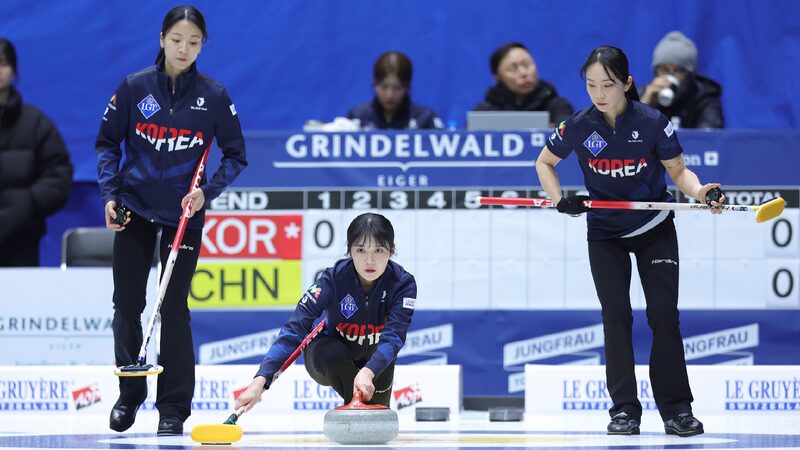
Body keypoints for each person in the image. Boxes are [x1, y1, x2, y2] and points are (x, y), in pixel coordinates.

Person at [535, 46, 725, 437]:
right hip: (605, 234)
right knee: (616, 315)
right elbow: (544, 163)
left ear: (627, 83)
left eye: (607, 84)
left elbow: (679, 172)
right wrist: (559, 200)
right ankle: (624, 410)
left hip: (654, 228)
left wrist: (701, 192)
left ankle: (677, 410)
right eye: (591, 85)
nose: (599, 93)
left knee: (663, 315)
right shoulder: (578, 125)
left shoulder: (653, 122)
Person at [95, 6, 247, 435]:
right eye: (177, 39)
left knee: (174, 309)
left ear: (203, 46)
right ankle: (130, 394)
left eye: (193, 42)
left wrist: (205, 193)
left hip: (184, 216)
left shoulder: (214, 96)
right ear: (162, 39)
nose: (184, 48)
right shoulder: (134, 88)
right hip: (135, 209)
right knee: (127, 304)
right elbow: (107, 144)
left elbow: (236, 156)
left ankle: (174, 408)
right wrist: (111, 194)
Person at [235, 212, 417, 412]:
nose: (369, 260)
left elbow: (393, 337)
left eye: (378, 250)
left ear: (391, 250)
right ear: (349, 250)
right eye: (361, 250)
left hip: (375, 361)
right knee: (332, 355)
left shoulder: (403, 284)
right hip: (328, 357)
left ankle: (362, 404)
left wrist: (369, 371)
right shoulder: (332, 280)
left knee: (379, 415)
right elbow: (294, 329)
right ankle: (357, 407)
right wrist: (260, 380)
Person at [0, 38, 73, 266]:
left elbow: (59, 176)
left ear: (14, 70)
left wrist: (26, 203)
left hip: (20, 242)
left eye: (3, 63)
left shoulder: (36, 123)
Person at [473, 42, 574, 126]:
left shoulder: (558, 107)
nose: (523, 73)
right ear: (498, 77)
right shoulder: (483, 113)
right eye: (513, 68)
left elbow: (569, 137)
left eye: (527, 65)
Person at [639, 31, 724, 129]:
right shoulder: (645, 94)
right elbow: (628, 133)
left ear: (689, 75)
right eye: (664, 69)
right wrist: (645, 105)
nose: (669, 76)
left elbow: (709, 134)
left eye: (677, 70)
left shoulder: (705, 98)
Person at [347, 51, 443, 130]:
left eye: (397, 88)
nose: (390, 95)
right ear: (375, 84)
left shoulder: (425, 119)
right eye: (384, 87)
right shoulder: (358, 118)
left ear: (407, 87)